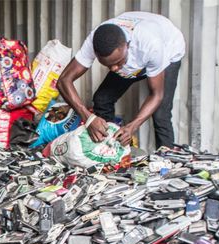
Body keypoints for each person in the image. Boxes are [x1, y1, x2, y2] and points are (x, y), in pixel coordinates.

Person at [58, 11, 185, 149]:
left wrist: (132, 126)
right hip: (139, 50)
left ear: (127, 46)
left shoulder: (151, 45)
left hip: (168, 50)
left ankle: (167, 161)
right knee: (102, 99)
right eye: (107, 64)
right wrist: (89, 118)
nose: (114, 69)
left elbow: (157, 95)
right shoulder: (96, 40)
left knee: (161, 114)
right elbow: (64, 80)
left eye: (118, 62)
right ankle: (106, 149)